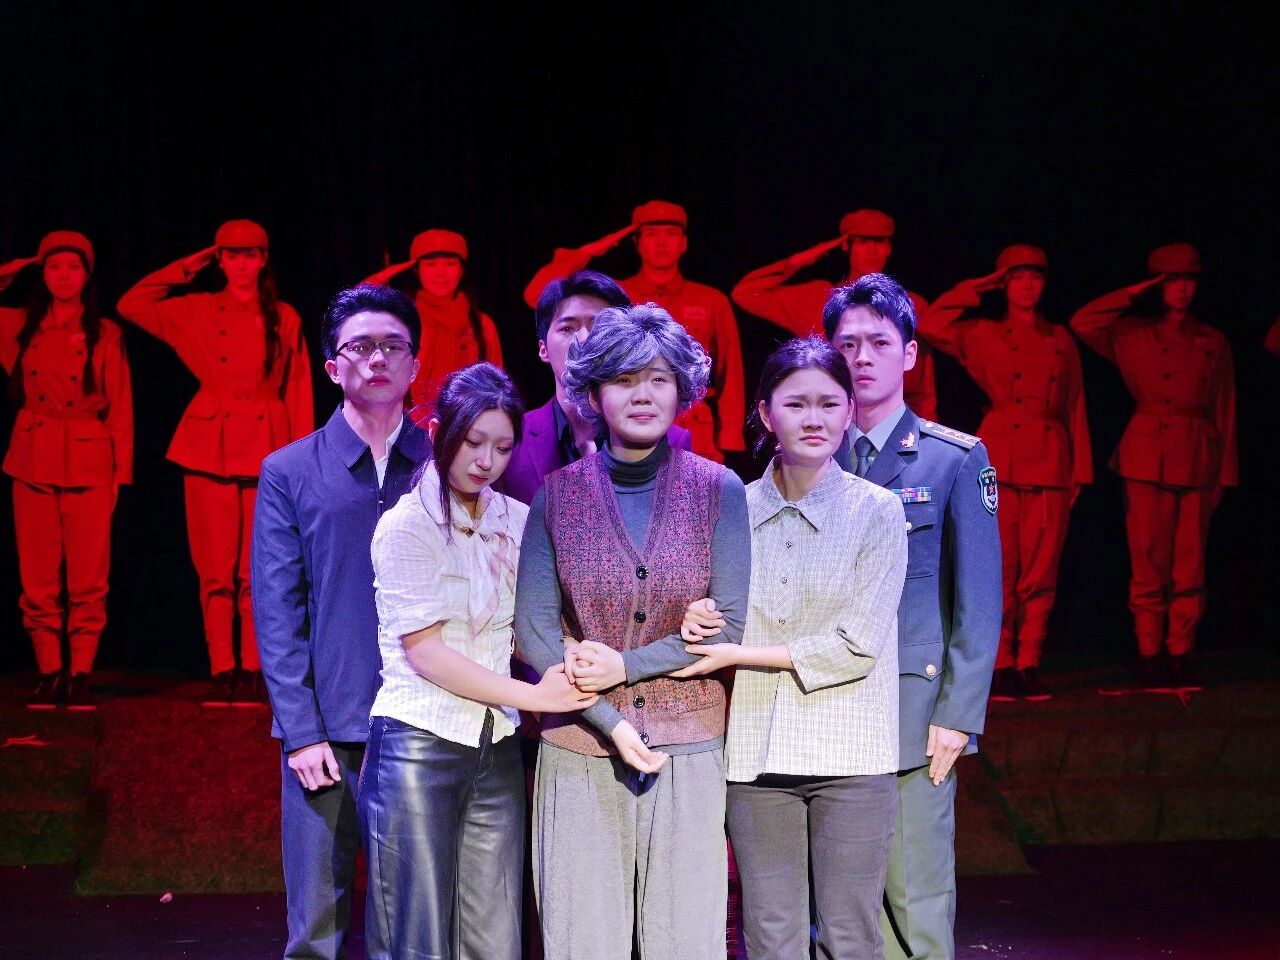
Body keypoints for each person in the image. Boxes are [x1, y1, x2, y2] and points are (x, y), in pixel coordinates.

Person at [514, 303, 751, 960]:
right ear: (594, 395)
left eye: (657, 378)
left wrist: (625, 666)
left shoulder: (720, 490)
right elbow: (534, 632)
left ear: (682, 390)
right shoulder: (557, 496)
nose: (642, 394)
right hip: (579, 749)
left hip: (689, 749)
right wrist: (609, 718)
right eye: (623, 379)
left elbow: (727, 625)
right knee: (582, 942)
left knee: (686, 943)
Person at [677, 336, 908, 959]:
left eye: (830, 404)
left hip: (851, 756)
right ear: (765, 413)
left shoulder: (877, 511)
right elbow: (709, 610)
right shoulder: (730, 507)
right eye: (797, 403)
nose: (814, 419)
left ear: (850, 411)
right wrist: (699, 614)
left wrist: (737, 654)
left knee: (848, 935)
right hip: (756, 757)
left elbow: (856, 646)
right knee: (770, 936)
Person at [358, 362, 597, 960]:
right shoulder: (406, 526)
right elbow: (428, 654)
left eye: (502, 447)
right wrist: (534, 696)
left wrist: (573, 655)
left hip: (496, 746)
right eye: (472, 442)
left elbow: (529, 626)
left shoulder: (516, 520)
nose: (486, 460)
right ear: (438, 431)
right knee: (419, 936)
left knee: (496, 936)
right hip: (418, 745)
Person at [251, 284, 430, 960]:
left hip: (423, 722)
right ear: (332, 367)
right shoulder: (290, 470)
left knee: (411, 921)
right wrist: (301, 732)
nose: (377, 359)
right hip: (326, 729)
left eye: (392, 346)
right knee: (315, 928)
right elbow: (278, 611)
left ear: (414, 365)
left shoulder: (443, 464)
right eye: (360, 346)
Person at [826, 273, 1002, 960]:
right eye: (847, 344)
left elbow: (978, 600)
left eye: (878, 342)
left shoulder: (952, 458)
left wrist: (959, 715)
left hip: (913, 714)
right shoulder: (807, 456)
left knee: (914, 900)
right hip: (824, 710)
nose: (861, 357)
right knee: (834, 909)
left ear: (909, 354)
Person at [118, 219, 313, 705]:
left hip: (267, 439)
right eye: (231, 254)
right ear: (219, 259)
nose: (241, 263)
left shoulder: (283, 315)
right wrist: (191, 264)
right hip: (209, 439)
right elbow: (132, 304)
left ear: (263, 260)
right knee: (214, 568)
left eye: (250, 254)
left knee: (259, 568)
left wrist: (302, 458)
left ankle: (253, 667)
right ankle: (222, 666)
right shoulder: (198, 309)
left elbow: (298, 387)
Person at [919, 245, 1091, 701]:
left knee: (1040, 567)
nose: (1028, 285)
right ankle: (997, 663)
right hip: (1001, 454)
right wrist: (978, 286)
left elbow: (1075, 404)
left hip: (1051, 456)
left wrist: (1079, 468)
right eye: (1016, 277)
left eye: (1036, 276)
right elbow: (930, 322)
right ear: (1004, 283)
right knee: (998, 563)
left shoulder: (1059, 338)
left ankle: (1028, 659)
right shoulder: (983, 333)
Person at [1070, 243, 1236, 689]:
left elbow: (1225, 407)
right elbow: (1084, 321)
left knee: (1190, 563)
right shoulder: (1133, 334)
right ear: (1159, 286)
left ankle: (1179, 651)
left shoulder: (1213, 340)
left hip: (1198, 453)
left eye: (1189, 280)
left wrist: (1226, 470)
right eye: (1172, 281)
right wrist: (1135, 291)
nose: (1182, 289)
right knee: (1148, 560)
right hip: (1146, 453)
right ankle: (1149, 652)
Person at [0, 232, 132, 710]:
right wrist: (19, 265)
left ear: (87, 275)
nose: (63, 276)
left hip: (89, 456)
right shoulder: (20, 324)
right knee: (37, 575)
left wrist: (119, 474)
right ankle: (48, 670)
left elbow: (120, 408)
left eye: (73, 266)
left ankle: (79, 673)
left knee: (88, 577)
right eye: (53, 266)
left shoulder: (106, 331)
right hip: (32, 453)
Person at [521, 202, 746, 462]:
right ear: (637, 243)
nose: (661, 242)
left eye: (671, 234)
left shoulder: (711, 300)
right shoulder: (614, 295)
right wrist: (585, 253)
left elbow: (731, 372)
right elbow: (539, 294)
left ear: (684, 242)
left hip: (694, 426)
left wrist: (730, 437)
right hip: (621, 415)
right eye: (651, 234)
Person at [497, 269, 691, 506]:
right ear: (543, 349)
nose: (583, 339)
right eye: (567, 328)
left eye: (598, 325)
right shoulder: (512, 437)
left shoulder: (672, 441)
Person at [732, 208, 938, 420]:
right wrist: (804, 259)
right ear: (846, 245)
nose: (872, 250)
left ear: (889, 248)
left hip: (889, 422)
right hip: (828, 422)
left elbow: (923, 388)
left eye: (879, 241)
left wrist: (923, 431)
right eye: (863, 241)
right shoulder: (818, 298)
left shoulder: (909, 304)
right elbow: (745, 293)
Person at [364, 228, 503, 420]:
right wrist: (393, 270)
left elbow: (497, 388)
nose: (441, 273)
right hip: (408, 427)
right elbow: (358, 305)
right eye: (431, 264)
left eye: (450, 264)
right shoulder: (400, 319)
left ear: (462, 270)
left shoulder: (482, 324)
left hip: (466, 427)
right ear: (416, 270)